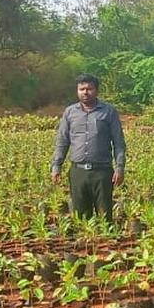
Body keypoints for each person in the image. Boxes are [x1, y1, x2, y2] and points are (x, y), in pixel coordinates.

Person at [51, 74, 127, 219]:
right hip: (78, 172)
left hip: (102, 173)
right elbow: (62, 141)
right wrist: (56, 166)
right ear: (77, 91)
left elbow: (119, 143)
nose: (85, 92)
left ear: (96, 90)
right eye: (81, 89)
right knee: (81, 217)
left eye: (89, 89)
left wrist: (120, 167)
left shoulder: (108, 112)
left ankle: (105, 240)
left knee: (105, 216)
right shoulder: (70, 112)